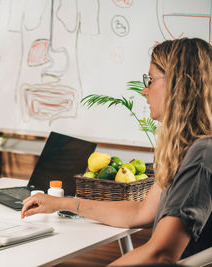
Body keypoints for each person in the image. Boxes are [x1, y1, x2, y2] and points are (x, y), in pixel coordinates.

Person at [21, 38, 212, 264]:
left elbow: (160, 254)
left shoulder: (201, 156)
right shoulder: (185, 150)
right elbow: (140, 213)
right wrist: (62, 203)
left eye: (150, 80)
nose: (144, 90)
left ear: (178, 84)